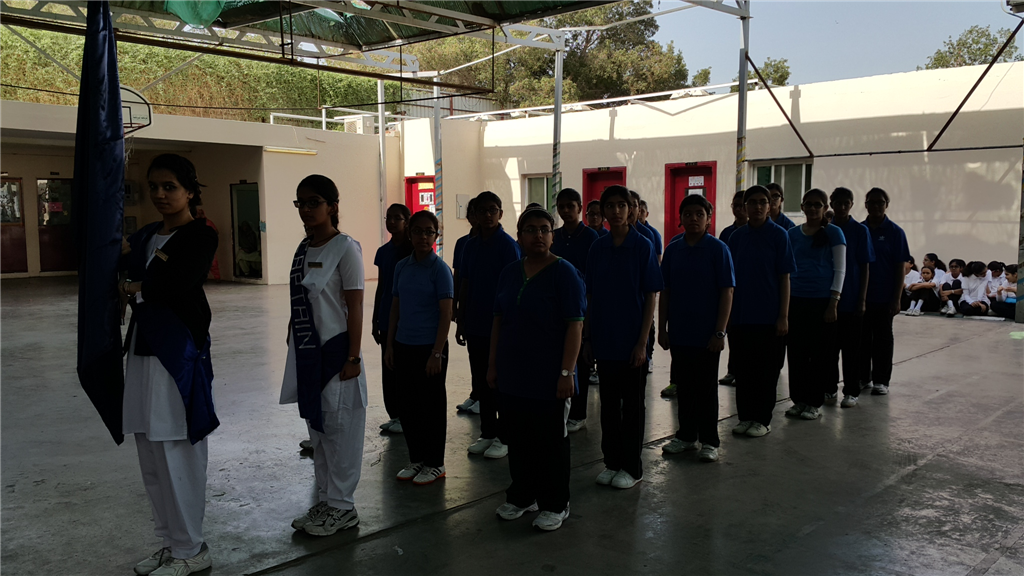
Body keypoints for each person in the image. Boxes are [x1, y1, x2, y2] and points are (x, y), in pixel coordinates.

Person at [120, 154, 218, 576]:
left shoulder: (200, 235)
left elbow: (176, 284)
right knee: (151, 454)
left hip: (176, 357)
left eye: (170, 187)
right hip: (142, 352)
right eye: (154, 187)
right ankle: (170, 542)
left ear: (190, 191)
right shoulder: (145, 235)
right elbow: (123, 273)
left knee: (177, 451)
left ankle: (191, 549)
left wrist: (136, 286)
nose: (160, 194)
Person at [489, 208, 585, 531]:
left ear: (552, 236)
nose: (538, 235)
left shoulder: (564, 273)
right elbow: (499, 321)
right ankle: (522, 495)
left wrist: (566, 373)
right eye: (530, 229)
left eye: (545, 229)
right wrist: (493, 365)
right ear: (519, 236)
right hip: (513, 376)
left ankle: (556, 503)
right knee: (518, 440)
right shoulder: (509, 273)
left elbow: (575, 325)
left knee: (550, 442)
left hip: (550, 378)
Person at [282, 175, 366, 537]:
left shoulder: (345, 248)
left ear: (332, 206)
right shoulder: (304, 248)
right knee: (318, 431)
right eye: (300, 202)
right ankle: (327, 499)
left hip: (337, 353)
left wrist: (353, 357)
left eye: (314, 202)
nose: (306, 209)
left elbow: (356, 305)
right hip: (308, 354)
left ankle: (343, 507)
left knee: (339, 429)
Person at [585, 185, 662, 489]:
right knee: (607, 405)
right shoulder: (597, 248)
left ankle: (632, 466)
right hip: (605, 340)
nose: (616, 211)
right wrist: (588, 339)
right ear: (603, 211)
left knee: (631, 406)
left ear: (631, 210)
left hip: (632, 341)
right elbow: (590, 296)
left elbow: (651, 295)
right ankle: (612, 461)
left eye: (622, 205)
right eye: (610, 206)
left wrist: (642, 343)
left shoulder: (642, 246)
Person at [659, 194, 734, 463]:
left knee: (706, 389)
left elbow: (727, 292)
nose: (693, 218)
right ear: (680, 218)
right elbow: (665, 291)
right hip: (680, 333)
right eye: (688, 214)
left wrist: (719, 332)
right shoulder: (673, 249)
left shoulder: (718, 249)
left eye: (699, 214)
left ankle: (710, 441)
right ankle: (687, 436)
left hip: (707, 335)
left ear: (708, 219)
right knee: (685, 387)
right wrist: (663, 328)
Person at [385, 210, 453, 486]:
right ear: (410, 234)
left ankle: (435, 463)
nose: (423, 237)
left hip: (430, 348)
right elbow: (395, 308)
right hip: (404, 345)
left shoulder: (440, 270)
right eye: (418, 231)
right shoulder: (402, 267)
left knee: (431, 406)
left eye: (429, 232)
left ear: (436, 235)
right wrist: (390, 345)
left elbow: (446, 314)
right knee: (408, 405)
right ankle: (417, 459)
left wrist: (437, 352)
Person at [727, 185, 796, 439]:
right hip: (741, 316)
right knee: (743, 370)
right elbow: (730, 281)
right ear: (744, 206)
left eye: (762, 202)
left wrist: (783, 316)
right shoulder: (736, 237)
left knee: (766, 372)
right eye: (752, 202)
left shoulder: (779, 235)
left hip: (768, 316)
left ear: (770, 206)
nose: (757, 206)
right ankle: (745, 416)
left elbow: (784, 278)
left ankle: (762, 420)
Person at [457, 191, 521, 459]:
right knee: (481, 380)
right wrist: (461, 318)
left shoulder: (508, 246)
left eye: (492, 210)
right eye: (482, 210)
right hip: (475, 323)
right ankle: (487, 432)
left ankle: (505, 437)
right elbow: (465, 282)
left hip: (501, 325)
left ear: (500, 213)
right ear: (474, 215)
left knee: (501, 381)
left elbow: (514, 286)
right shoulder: (470, 246)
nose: (487, 215)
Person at [783, 189, 846, 422]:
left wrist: (833, 302)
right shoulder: (791, 234)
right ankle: (799, 400)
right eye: (808, 204)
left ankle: (814, 402)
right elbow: (786, 270)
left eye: (817, 205)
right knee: (796, 353)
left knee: (819, 355)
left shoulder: (834, 233)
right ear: (802, 207)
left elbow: (840, 270)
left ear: (825, 207)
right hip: (795, 300)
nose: (812, 208)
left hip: (822, 301)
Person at [551, 188, 600, 433]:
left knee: (579, 360)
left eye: (571, 206)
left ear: (580, 208)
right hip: (555, 306)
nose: (566, 211)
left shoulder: (591, 238)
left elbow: (595, 276)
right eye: (562, 207)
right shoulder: (554, 236)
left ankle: (578, 414)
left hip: (582, 306)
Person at [825, 187, 875, 408]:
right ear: (832, 204)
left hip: (852, 298)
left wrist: (862, 299)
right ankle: (829, 388)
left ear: (852, 205)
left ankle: (851, 391)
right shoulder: (826, 229)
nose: (842, 207)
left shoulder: (860, 231)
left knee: (852, 349)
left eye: (846, 203)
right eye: (838, 203)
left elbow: (865, 267)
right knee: (829, 348)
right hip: (828, 300)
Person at [860, 187, 910, 396]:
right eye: (872, 202)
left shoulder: (895, 232)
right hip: (861, 295)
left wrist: (896, 298)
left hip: (884, 295)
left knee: (882, 339)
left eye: (880, 202)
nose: (876, 206)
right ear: (866, 205)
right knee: (862, 338)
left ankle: (881, 380)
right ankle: (863, 377)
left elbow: (900, 267)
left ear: (886, 205)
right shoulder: (859, 229)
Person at [372, 204, 412, 434]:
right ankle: (394, 414)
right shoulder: (383, 252)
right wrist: (375, 319)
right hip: (386, 315)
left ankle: (406, 416)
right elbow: (381, 286)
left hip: (405, 317)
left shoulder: (412, 251)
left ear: (407, 221)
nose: (392, 222)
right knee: (388, 367)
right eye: (389, 218)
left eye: (398, 218)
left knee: (403, 369)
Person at [452, 198, 481, 414]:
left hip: (487, 308)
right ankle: (476, 394)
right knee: (474, 354)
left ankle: (486, 397)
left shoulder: (502, 244)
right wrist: (455, 306)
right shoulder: (463, 243)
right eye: (472, 213)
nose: (476, 217)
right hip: (469, 306)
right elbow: (458, 276)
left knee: (487, 357)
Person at [717, 190, 748, 387]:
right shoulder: (727, 233)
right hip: (730, 290)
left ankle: (744, 372)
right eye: (735, 206)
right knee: (732, 330)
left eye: (743, 206)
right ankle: (732, 370)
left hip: (749, 290)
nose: (739, 209)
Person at [194, 205, 221, 281]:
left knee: (213, 262)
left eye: (200, 212)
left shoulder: (208, 222)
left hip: (207, 245)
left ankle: (217, 278)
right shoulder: (193, 223)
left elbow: (216, 232)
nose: (199, 214)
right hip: (197, 245)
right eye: (198, 213)